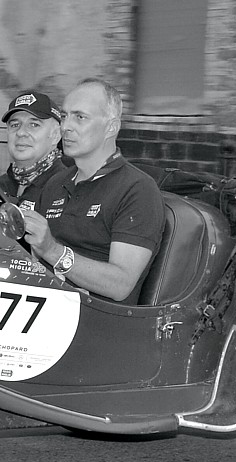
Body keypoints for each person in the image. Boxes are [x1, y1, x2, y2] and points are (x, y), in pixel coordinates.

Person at [21, 78, 165, 304]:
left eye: (80, 117)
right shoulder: (55, 183)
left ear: (111, 127)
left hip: (99, 325)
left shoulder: (138, 189)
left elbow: (120, 284)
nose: (66, 126)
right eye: (65, 116)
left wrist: (52, 251)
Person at [0, 91, 67, 215]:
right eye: (15, 125)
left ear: (56, 135)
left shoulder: (68, 187)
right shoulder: (0, 185)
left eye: (34, 125)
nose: (21, 132)